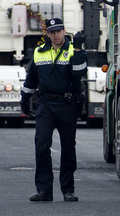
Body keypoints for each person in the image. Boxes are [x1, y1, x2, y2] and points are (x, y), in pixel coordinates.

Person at [20, 18, 87, 202]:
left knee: (68, 148)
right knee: (41, 144)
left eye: (59, 31)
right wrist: (25, 97)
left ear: (64, 31)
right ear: (47, 34)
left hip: (68, 105)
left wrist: (79, 49)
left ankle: (68, 190)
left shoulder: (74, 51)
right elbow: (31, 78)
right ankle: (44, 191)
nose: (56, 35)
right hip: (46, 104)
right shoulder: (39, 53)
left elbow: (79, 71)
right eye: (52, 32)